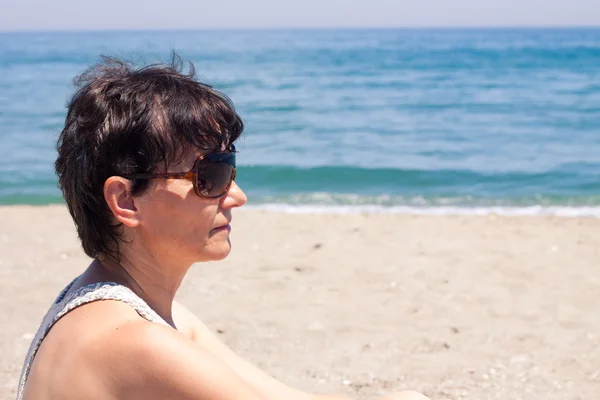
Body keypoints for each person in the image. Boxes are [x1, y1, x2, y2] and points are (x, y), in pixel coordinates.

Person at [17, 56, 431, 400]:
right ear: (125, 201)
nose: (236, 196)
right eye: (209, 177)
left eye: (229, 170)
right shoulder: (138, 342)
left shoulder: (115, 305)